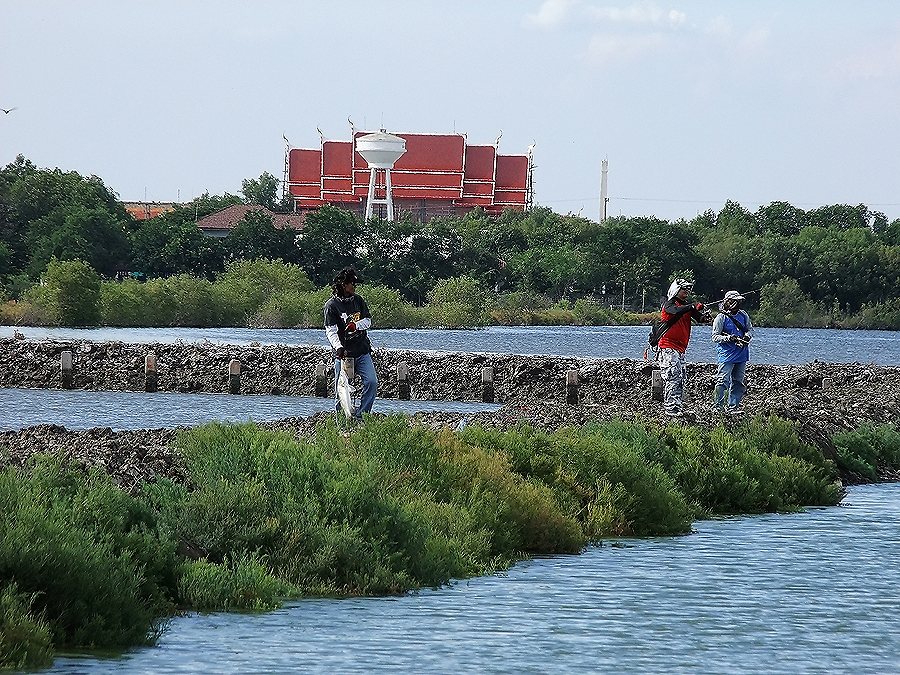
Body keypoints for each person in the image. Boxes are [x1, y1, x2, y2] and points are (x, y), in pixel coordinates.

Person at [323, 267, 377, 418]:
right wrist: (338, 347)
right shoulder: (331, 306)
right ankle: (342, 420)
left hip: (362, 351)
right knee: (342, 389)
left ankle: (361, 416)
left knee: (372, 382)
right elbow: (331, 330)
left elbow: (367, 321)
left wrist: (356, 325)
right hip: (344, 355)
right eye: (352, 283)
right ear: (343, 284)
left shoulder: (359, 300)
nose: (354, 286)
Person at [657, 277, 710, 418]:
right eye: (684, 289)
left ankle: (677, 405)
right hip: (668, 346)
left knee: (680, 377)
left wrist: (705, 316)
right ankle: (670, 408)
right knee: (672, 376)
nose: (687, 291)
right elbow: (674, 311)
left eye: (688, 289)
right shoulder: (669, 304)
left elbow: (699, 318)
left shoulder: (685, 306)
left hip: (680, 348)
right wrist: (692, 306)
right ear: (676, 290)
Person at [711, 290, 754, 413]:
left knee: (738, 382)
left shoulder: (743, 315)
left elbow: (750, 330)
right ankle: (718, 407)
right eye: (735, 301)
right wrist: (729, 338)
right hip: (726, 355)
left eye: (739, 301)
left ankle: (733, 407)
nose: (737, 304)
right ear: (728, 302)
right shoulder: (721, 317)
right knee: (722, 380)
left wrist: (747, 336)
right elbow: (715, 337)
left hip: (742, 354)